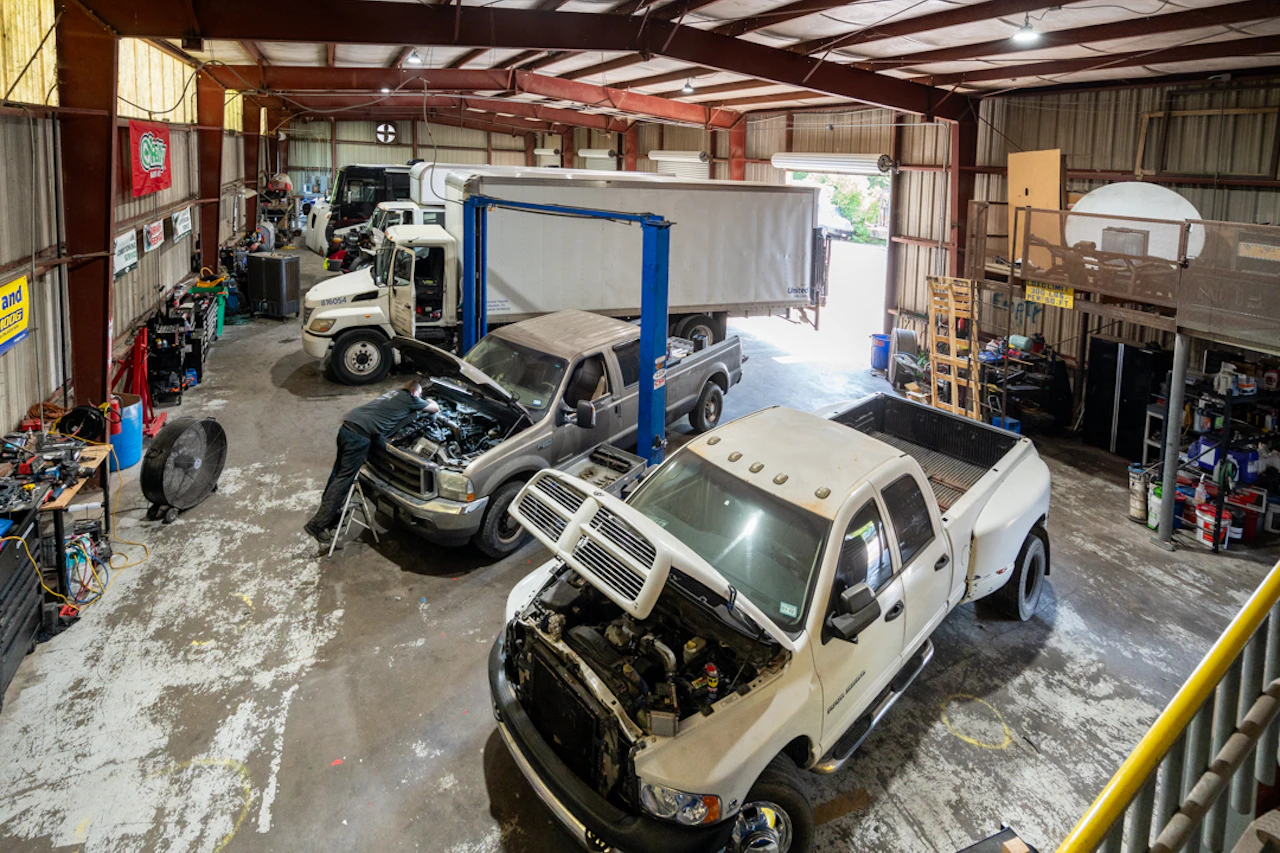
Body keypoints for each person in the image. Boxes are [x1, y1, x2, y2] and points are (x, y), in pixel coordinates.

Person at [305, 378, 439, 543]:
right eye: (419, 394)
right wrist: (429, 399)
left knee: (338, 472)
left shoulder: (393, 393)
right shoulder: (411, 399)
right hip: (359, 437)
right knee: (344, 480)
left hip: (347, 428)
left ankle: (330, 512)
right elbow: (435, 408)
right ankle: (318, 524)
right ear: (414, 392)